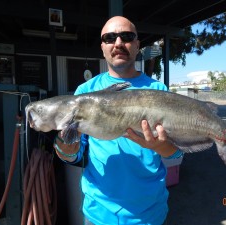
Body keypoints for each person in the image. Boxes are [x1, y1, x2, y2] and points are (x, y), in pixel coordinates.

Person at [54, 16, 183, 225]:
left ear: (138, 44)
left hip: (149, 214)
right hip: (99, 214)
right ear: (102, 47)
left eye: (127, 36)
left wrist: (162, 146)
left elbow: (176, 152)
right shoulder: (85, 92)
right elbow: (73, 156)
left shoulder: (159, 91)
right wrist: (66, 141)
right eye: (110, 38)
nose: (118, 43)